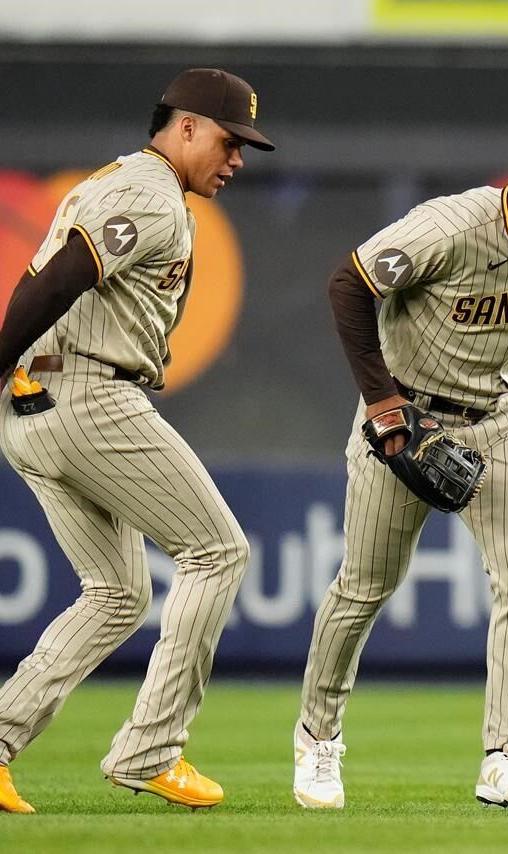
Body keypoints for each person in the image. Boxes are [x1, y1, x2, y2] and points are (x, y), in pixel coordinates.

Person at [293, 154, 508, 810]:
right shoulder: (446, 228)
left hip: (499, 421)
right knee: (364, 587)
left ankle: (507, 758)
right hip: (406, 416)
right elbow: (348, 285)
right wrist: (382, 403)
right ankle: (317, 737)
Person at [0, 68, 274, 814]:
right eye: (228, 139)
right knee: (218, 551)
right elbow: (56, 281)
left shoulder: (124, 184)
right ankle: (151, 749)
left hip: (37, 401)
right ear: (184, 126)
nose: (238, 158)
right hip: (86, 390)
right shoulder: (147, 193)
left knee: (119, 593)